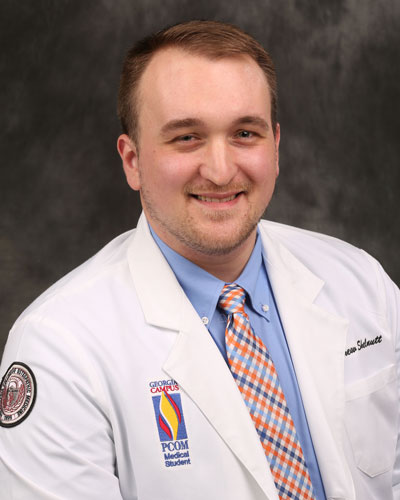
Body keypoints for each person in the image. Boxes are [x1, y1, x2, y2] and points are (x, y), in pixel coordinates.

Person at [0, 20, 398, 500]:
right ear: (133, 161)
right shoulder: (58, 347)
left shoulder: (359, 281)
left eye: (245, 133)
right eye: (186, 137)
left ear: (276, 148)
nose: (221, 169)